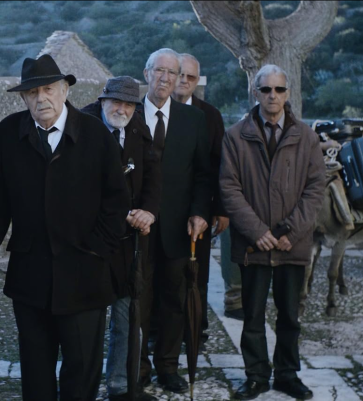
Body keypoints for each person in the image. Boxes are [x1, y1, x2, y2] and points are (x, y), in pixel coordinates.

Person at [0, 54, 129, 400]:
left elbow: (116, 202)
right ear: (24, 98)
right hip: (31, 277)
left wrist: (96, 249)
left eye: (49, 89)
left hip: (86, 277)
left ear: (65, 89)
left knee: (81, 373)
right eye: (32, 92)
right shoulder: (7, 134)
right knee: (36, 372)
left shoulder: (96, 134)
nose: (41, 98)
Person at [220, 64, 325, 400]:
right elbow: (229, 188)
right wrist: (256, 231)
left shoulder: (306, 137)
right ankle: (256, 376)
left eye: (279, 89)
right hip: (254, 246)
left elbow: (315, 188)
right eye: (266, 89)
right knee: (251, 316)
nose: (272, 96)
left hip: (291, 244)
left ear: (287, 93)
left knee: (290, 316)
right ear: (256, 92)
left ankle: (287, 375)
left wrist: (290, 231)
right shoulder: (235, 136)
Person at [136, 48, 213, 394]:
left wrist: (199, 212)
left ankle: (168, 367)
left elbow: (203, 175)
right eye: (160, 71)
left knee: (174, 302)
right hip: (137, 229)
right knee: (138, 301)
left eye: (173, 72)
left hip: (179, 228)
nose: (166, 78)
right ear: (147, 73)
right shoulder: (128, 113)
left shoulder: (193, 119)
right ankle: (137, 370)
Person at [81, 76, 161, 401]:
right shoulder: (82, 128)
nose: (122, 109)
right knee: (88, 321)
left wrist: (149, 212)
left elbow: (154, 174)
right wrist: (120, 213)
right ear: (102, 101)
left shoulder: (138, 127)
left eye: (129, 104)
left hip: (130, 242)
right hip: (91, 242)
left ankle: (121, 387)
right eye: (116, 102)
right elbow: (76, 187)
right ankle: (81, 388)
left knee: (127, 316)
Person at [172, 52, 232, 329]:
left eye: (191, 77)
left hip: (199, 207)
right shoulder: (151, 110)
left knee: (198, 271)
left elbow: (219, 163)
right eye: (180, 74)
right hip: (164, 207)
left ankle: (197, 328)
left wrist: (220, 208)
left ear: (197, 81)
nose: (184, 80)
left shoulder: (210, 115)